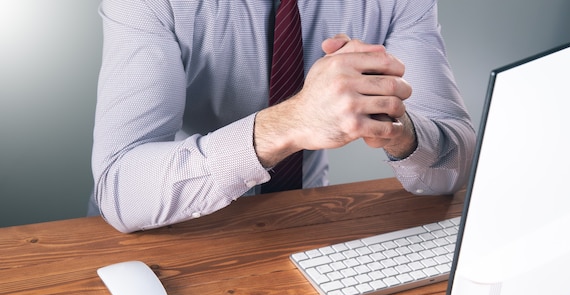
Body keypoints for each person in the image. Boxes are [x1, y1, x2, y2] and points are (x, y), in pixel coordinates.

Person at [90, 0, 476, 233]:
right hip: (170, 225)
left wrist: (399, 129)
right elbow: (121, 191)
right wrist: (291, 123)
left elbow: (453, 169)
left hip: (300, 220)